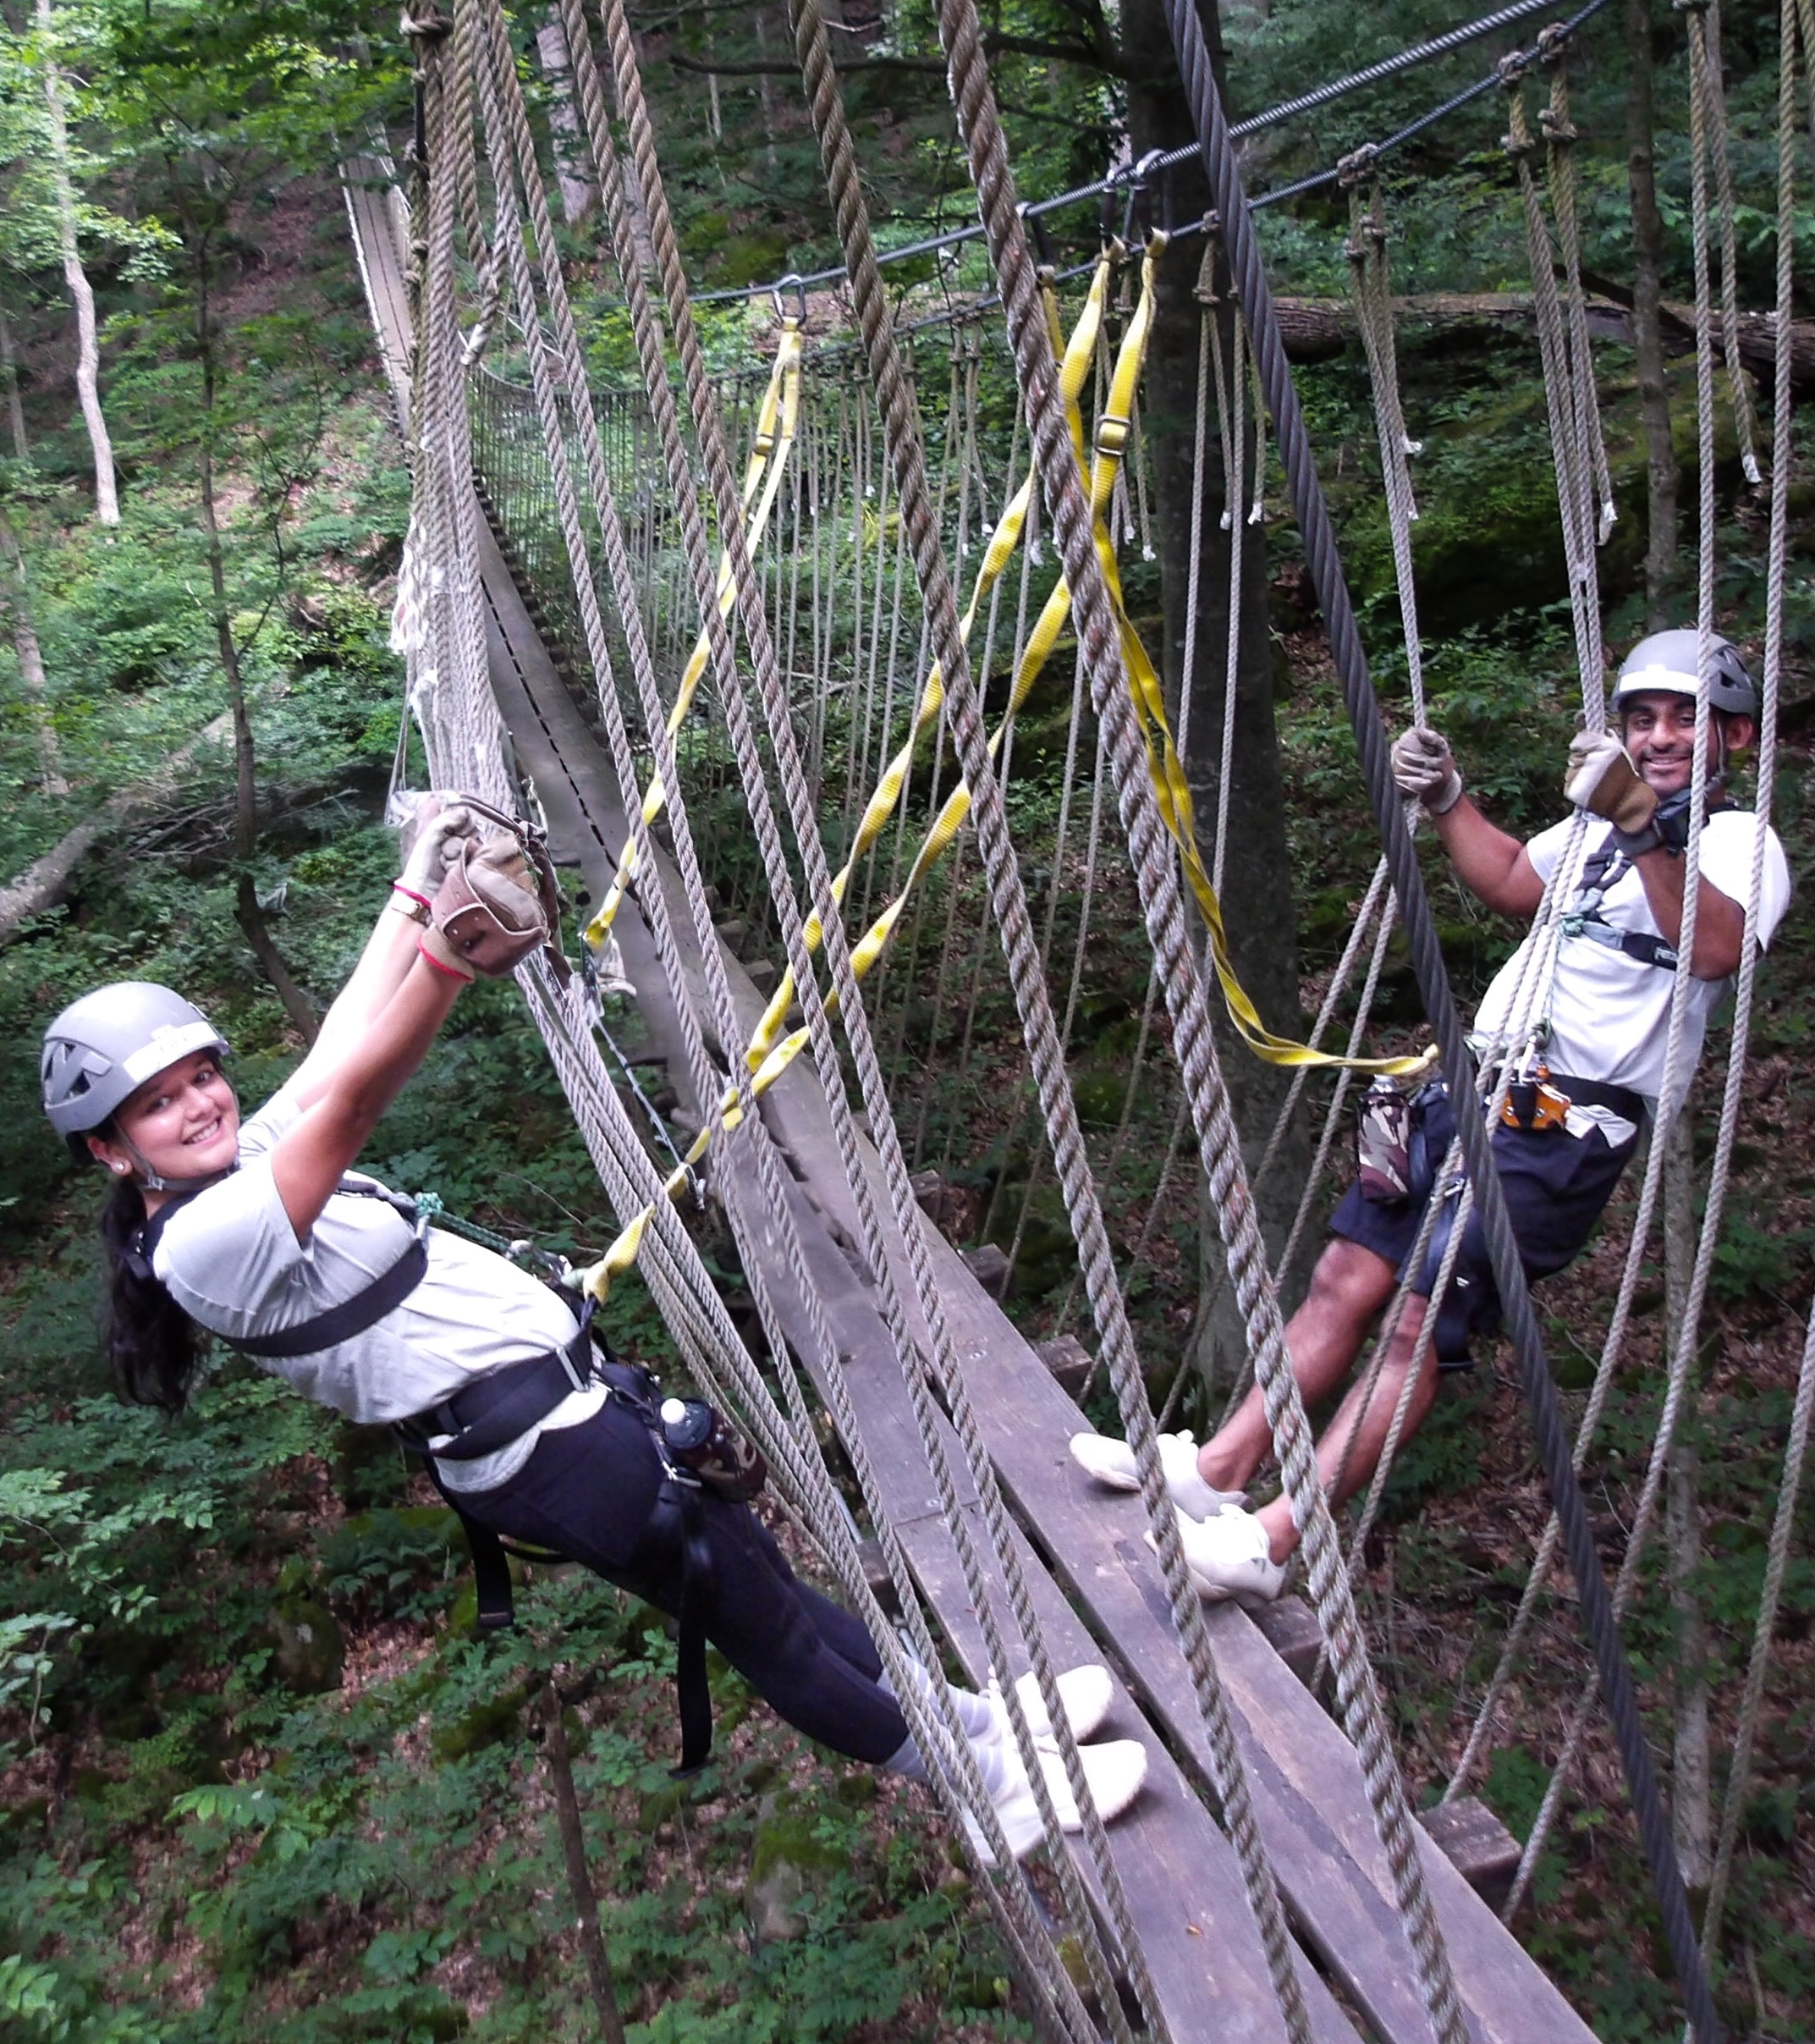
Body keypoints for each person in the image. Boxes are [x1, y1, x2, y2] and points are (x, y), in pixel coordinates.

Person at [42, 795, 1147, 1859]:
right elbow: (352, 1106)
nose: (200, 1105)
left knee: (771, 1580)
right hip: (541, 1450)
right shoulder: (199, 1243)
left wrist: (415, 887)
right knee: (760, 1622)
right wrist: (449, 965)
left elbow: (334, 1047)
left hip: (569, 1408)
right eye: (158, 1103)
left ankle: (978, 1721)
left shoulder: (225, 1168)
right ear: (110, 1148)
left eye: (202, 1077)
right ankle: (989, 1796)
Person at [1073, 630, 1791, 1599]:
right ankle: (1216, 1472)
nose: (1659, 738)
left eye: (1685, 720)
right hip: (1469, 1086)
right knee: (1344, 1274)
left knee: (1418, 1321)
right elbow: (1507, 882)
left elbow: (1711, 946)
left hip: (1565, 1128)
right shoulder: (1592, 828)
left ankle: (1276, 1542)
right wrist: (1451, 798)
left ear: (1735, 738)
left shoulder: (1742, 843)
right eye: (1642, 719)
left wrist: (1642, 826)